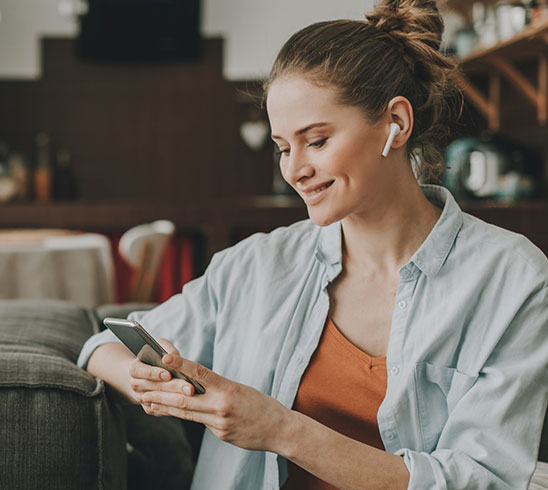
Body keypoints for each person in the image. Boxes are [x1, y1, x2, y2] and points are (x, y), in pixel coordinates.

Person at [77, 0, 548, 488]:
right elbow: (101, 348)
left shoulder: (512, 280)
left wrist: (281, 429)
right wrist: (142, 378)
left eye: (317, 141)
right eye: (283, 147)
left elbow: (483, 479)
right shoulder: (256, 265)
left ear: (396, 124)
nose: (294, 170)